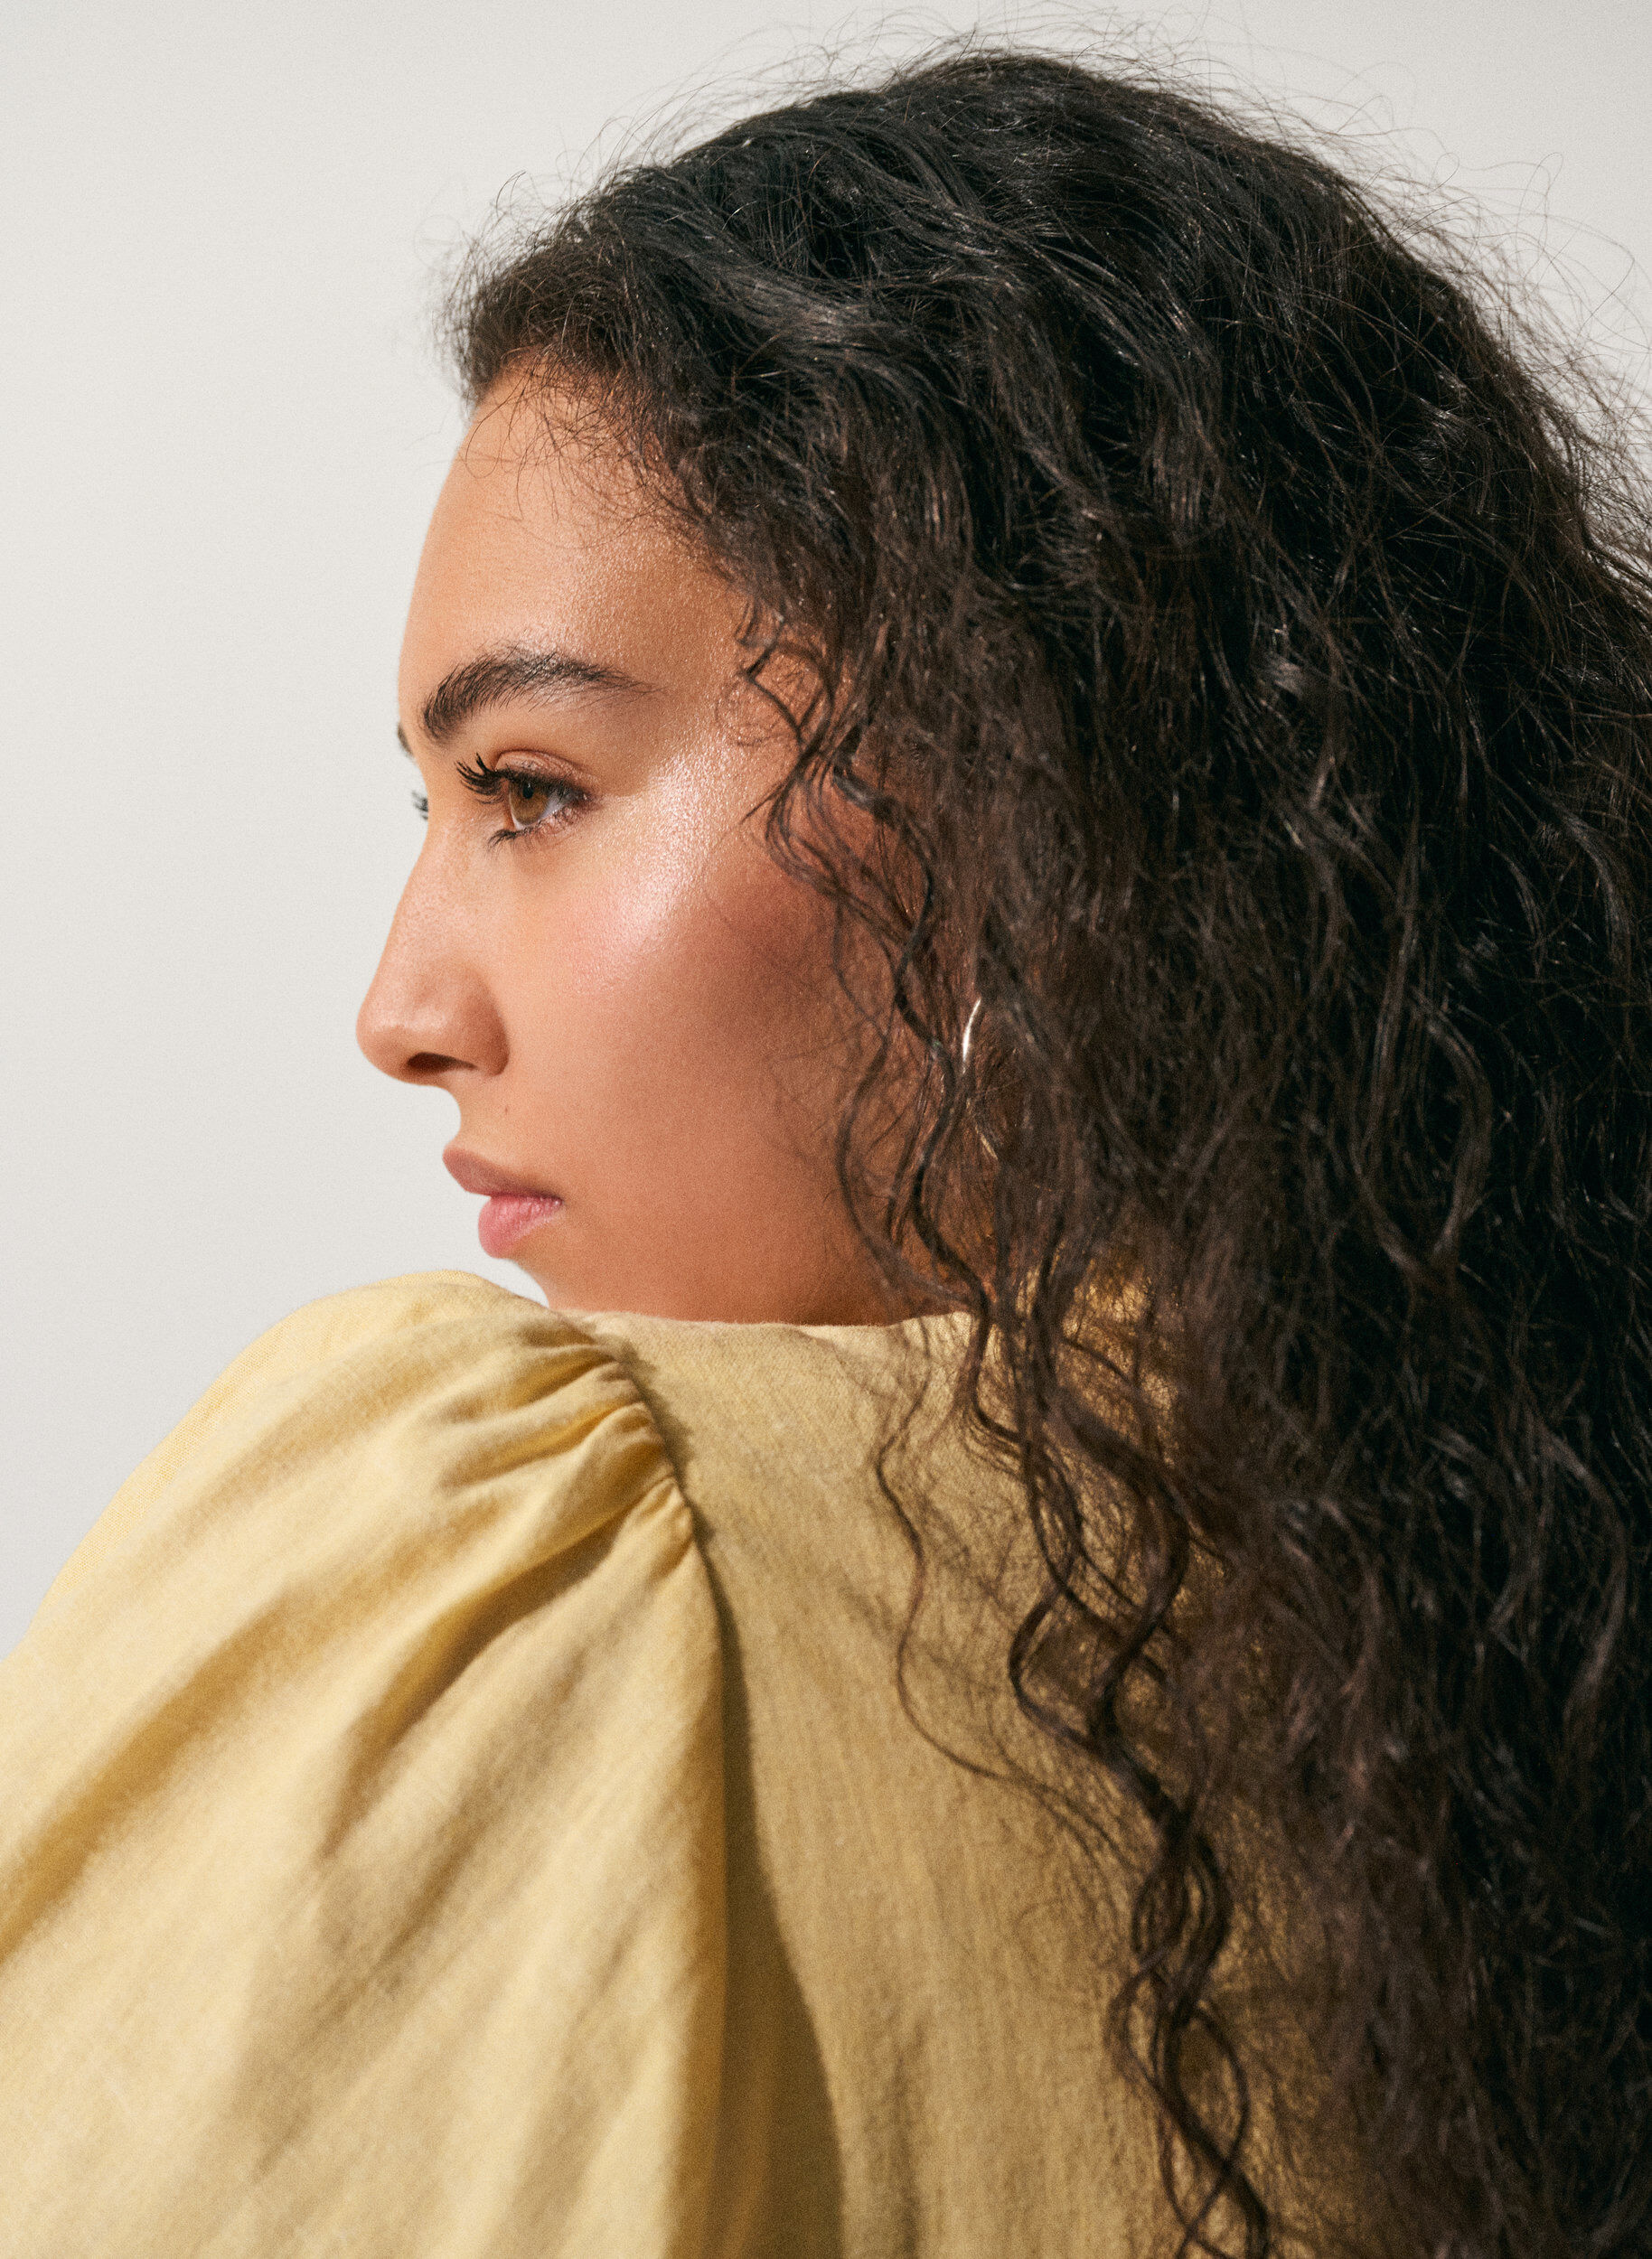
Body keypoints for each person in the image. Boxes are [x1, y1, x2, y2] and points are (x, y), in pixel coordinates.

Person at [2, 44, 1648, 2259]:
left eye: (533, 789)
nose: (403, 1012)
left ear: (1037, 788)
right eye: (438, 812)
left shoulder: (528, 1558)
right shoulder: (1516, 1689)